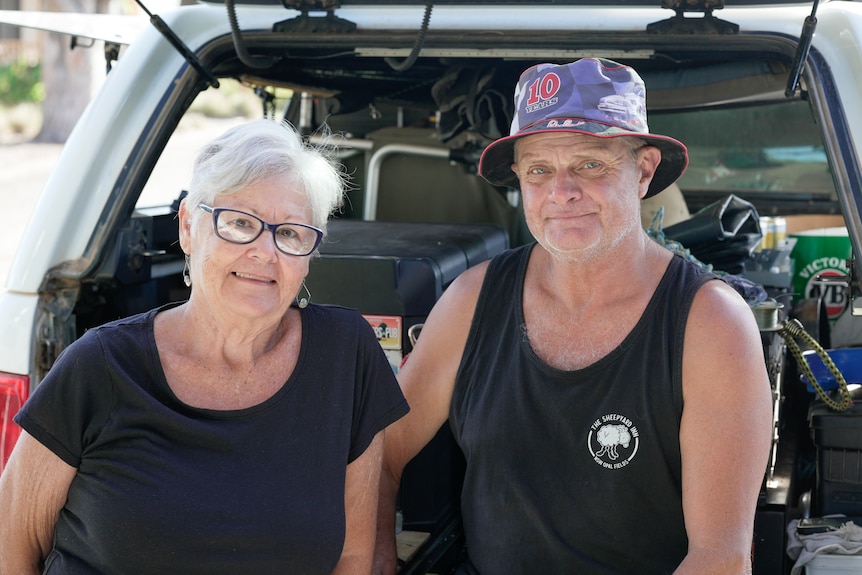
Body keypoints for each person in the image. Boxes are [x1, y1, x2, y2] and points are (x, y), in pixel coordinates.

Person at [375, 58, 773, 574]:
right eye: (539, 170)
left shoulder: (711, 324)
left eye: (590, 165)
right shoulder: (471, 301)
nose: (562, 193)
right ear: (519, 178)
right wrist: (372, 553)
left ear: (644, 171)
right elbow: (378, 453)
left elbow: (720, 558)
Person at [0, 118, 409, 575]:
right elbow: (11, 546)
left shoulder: (346, 356)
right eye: (238, 223)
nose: (264, 251)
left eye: (291, 233)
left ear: (309, 258)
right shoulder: (100, 366)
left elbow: (354, 558)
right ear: (189, 227)